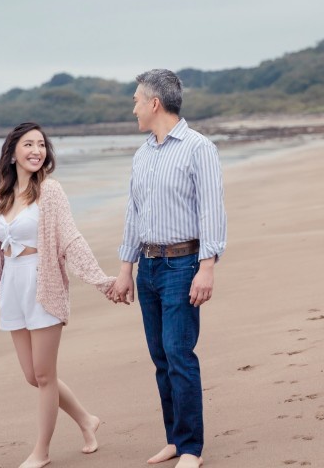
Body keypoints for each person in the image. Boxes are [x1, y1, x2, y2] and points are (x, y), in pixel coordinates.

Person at [0, 121, 116, 468]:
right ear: (12, 153)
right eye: (28, 144)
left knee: (44, 374)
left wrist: (100, 279)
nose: (37, 150)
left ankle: (42, 451)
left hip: (43, 285)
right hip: (12, 287)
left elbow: (70, 238)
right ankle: (86, 419)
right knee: (33, 376)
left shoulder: (51, 193)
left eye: (41, 144)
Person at [111, 69, 227, 468]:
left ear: (154, 103)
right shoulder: (142, 154)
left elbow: (212, 211)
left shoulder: (199, 149)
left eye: (136, 100)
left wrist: (206, 267)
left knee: (179, 354)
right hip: (148, 267)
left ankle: (192, 448)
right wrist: (126, 269)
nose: (134, 108)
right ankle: (175, 440)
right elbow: (133, 215)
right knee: (160, 357)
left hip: (183, 265)